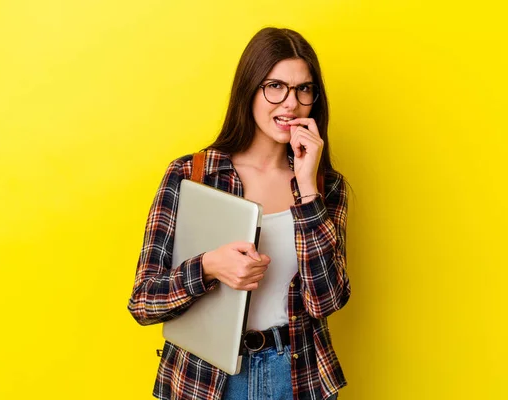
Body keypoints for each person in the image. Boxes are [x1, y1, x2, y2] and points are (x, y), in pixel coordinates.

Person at [128, 27, 350, 400]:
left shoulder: (326, 186)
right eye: (275, 86)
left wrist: (307, 187)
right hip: (205, 380)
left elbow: (326, 300)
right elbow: (143, 302)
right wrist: (208, 267)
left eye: (303, 89)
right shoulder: (191, 176)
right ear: (249, 89)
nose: (290, 103)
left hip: (296, 377)